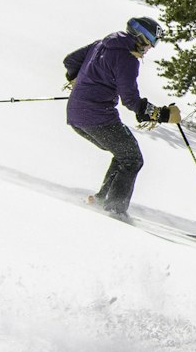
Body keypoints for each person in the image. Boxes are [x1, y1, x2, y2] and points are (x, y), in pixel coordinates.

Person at [63, 15, 179, 220]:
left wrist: (76, 80)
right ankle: (114, 211)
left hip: (76, 113)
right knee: (133, 159)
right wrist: (164, 115)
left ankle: (102, 199)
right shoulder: (127, 58)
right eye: (150, 43)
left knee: (124, 153)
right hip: (96, 116)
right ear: (139, 37)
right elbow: (132, 102)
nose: (149, 49)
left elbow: (71, 60)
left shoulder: (103, 43)